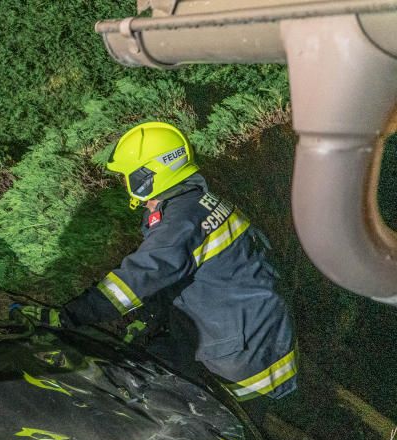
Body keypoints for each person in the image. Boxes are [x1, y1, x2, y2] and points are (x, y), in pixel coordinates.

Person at [16, 121, 298, 409]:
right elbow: (183, 276)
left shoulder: (182, 220)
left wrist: (68, 317)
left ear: (147, 176)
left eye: (127, 176)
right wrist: (150, 316)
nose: (124, 185)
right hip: (246, 334)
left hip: (246, 362)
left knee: (200, 423)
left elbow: (139, 278)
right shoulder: (195, 204)